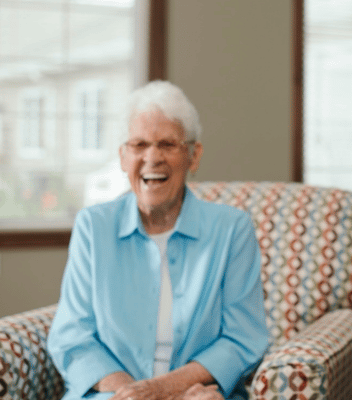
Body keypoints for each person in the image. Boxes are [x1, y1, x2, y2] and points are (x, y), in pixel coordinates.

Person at [48, 81, 269, 400]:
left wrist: (161, 390)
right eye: (139, 145)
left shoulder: (232, 229)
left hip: (197, 394)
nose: (152, 157)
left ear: (194, 156)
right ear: (123, 157)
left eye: (167, 144)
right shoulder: (93, 227)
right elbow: (73, 336)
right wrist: (131, 394)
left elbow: (242, 338)